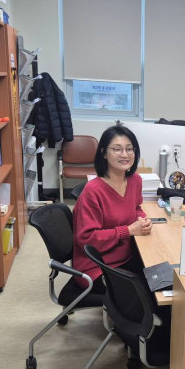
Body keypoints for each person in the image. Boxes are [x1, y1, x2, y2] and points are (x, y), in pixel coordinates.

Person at [73, 124, 152, 293]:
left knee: (166, 279)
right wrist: (128, 231)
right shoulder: (93, 191)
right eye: (117, 149)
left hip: (127, 256)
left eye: (129, 149)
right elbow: (86, 240)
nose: (125, 154)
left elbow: (136, 207)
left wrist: (142, 219)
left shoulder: (135, 180)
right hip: (96, 266)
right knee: (150, 295)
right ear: (103, 153)